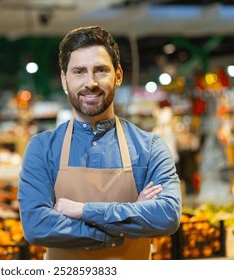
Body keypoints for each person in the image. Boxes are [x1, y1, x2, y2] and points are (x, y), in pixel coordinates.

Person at [18, 26, 182, 260]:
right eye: (79, 72)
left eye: (101, 70)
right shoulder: (42, 149)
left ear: (118, 75)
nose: (91, 82)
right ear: (65, 80)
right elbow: (36, 226)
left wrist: (81, 211)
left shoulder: (150, 147)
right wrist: (123, 225)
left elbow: (166, 216)